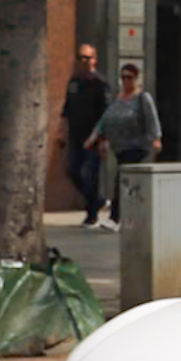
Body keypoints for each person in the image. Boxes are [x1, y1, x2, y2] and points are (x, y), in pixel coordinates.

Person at [91, 62, 162, 230]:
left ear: (136, 79)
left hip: (137, 146)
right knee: (130, 184)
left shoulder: (143, 98)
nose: (125, 81)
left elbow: (152, 119)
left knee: (121, 181)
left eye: (129, 78)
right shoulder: (118, 99)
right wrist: (101, 138)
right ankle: (132, 217)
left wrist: (156, 138)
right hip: (120, 147)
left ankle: (115, 218)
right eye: (123, 77)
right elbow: (106, 120)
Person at [61, 43, 110, 227]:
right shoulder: (74, 82)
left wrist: (103, 139)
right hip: (75, 135)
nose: (84, 61)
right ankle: (96, 201)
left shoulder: (100, 83)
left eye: (87, 58)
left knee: (91, 174)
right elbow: (66, 110)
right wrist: (61, 132)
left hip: (94, 138)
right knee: (72, 171)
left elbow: (106, 113)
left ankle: (91, 214)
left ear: (94, 60)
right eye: (80, 57)